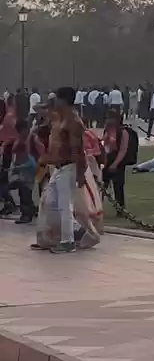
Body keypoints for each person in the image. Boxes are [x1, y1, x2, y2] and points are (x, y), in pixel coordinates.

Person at [38, 87, 86, 254]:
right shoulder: (61, 118)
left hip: (69, 167)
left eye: (56, 99)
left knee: (65, 205)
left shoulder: (74, 122)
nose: (54, 101)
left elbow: (78, 150)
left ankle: (68, 241)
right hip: (58, 168)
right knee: (50, 202)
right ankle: (76, 229)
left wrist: (80, 173)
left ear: (64, 100)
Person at [101, 107, 136, 208]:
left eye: (109, 118)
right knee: (103, 184)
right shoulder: (107, 130)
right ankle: (97, 205)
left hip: (118, 160)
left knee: (118, 185)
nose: (107, 120)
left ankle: (120, 207)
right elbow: (105, 145)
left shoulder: (123, 132)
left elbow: (123, 150)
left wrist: (115, 163)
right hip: (107, 158)